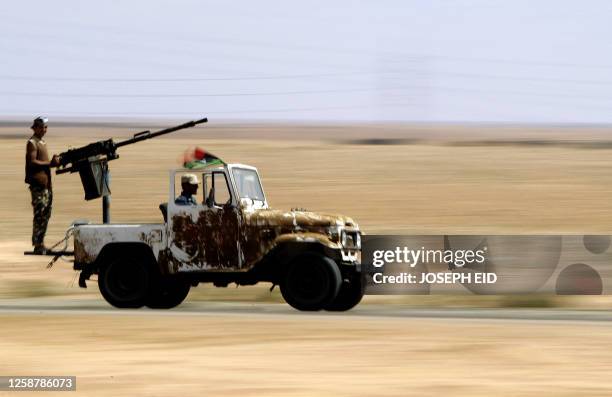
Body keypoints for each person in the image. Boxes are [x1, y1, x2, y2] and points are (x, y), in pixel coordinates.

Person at [25, 117, 60, 254]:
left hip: (46, 186)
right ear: (35, 128)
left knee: (46, 214)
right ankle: (37, 244)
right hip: (38, 186)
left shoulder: (42, 143)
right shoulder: (32, 143)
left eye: (46, 127)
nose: (44, 130)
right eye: (42, 127)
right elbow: (32, 162)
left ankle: (41, 243)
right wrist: (50, 164)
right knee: (39, 214)